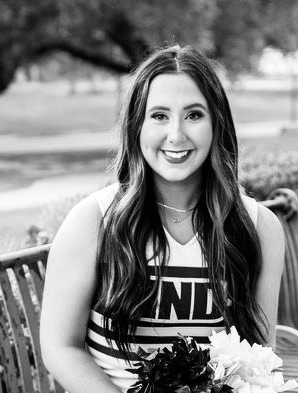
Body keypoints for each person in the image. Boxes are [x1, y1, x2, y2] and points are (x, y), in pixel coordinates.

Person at [40, 45, 285, 393]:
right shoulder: (93, 221)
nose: (176, 135)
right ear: (135, 126)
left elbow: (259, 357)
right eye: (159, 116)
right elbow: (60, 348)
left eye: (194, 115)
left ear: (217, 123)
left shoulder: (259, 228)